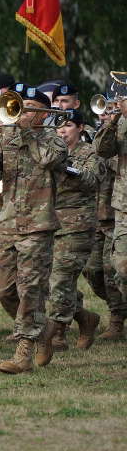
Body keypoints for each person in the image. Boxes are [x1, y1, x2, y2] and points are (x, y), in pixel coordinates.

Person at [0, 86, 68, 374]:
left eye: (29, 107)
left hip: (38, 224)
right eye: (19, 106)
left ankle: (24, 351)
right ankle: (41, 332)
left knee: (30, 288)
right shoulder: (6, 136)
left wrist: (26, 132)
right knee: (3, 288)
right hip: (7, 221)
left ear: (43, 114)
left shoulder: (54, 139)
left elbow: (48, 160)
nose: (22, 112)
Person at [46, 108, 103, 351]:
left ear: (80, 128)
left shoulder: (89, 152)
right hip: (49, 223)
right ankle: (84, 317)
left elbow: (92, 181)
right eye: (58, 125)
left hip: (78, 226)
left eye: (68, 125)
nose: (62, 130)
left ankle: (56, 333)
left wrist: (66, 167)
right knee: (54, 282)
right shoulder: (49, 153)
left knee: (60, 278)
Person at [83, 106, 126, 339]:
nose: (105, 113)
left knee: (114, 272)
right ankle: (118, 311)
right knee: (93, 272)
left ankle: (117, 320)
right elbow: (99, 151)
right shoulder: (106, 130)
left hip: (115, 214)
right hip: (95, 215)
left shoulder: (122, 133)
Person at [95, 87, 127, 338]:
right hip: (123, 206)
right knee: (121, 269)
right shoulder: (119, 122)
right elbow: (103, 150)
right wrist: (114, 120)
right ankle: (117, 317)